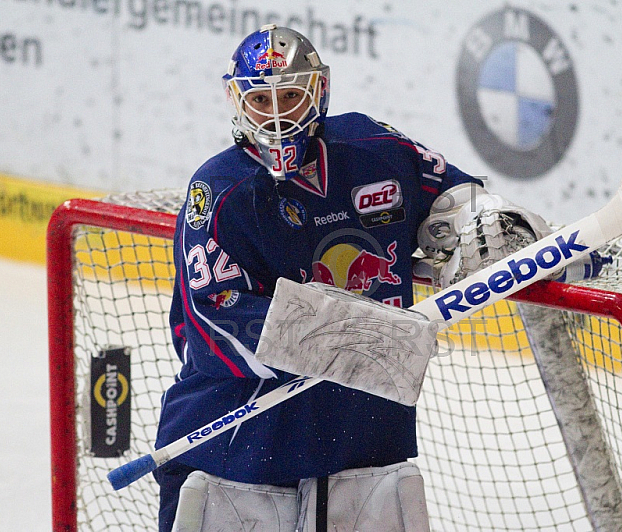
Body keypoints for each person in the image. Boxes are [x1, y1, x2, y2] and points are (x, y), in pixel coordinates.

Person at [154, 24, 551, 531]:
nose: (276, 114)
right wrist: (349, 340)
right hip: (240, 448)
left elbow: (453, 195)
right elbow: (210, 322)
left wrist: (485, 221)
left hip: (361, 437)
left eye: (291, 96)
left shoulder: (374, 149)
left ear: (318, 91)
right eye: (260, 100)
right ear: (237, 100)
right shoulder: (220, 190)